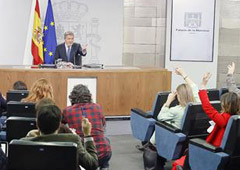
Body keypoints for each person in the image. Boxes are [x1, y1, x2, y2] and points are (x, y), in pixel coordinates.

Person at [21, 104, 98, 170]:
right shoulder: (72, 140)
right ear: (59, 125)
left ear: (37, 123)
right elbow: (92, 164)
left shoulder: (21, 144)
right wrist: (87, 134)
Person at [63, 84, 112, 170]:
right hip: (104, 153)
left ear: (72, 98)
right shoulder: (98, 107)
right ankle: (104, 167)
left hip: (84, 156)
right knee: (106, 139)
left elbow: (59, 126)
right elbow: (103, 125)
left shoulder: (68, 111)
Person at [150, 67, 200, 144]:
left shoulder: (176, 110)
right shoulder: (198, 104)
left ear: (178, 96)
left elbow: (160, 117)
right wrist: (183, 74)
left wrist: (168, 102)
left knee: (163, 123)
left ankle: (151, 145)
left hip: (175, 136)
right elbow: (194, 87)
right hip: (192, 138)